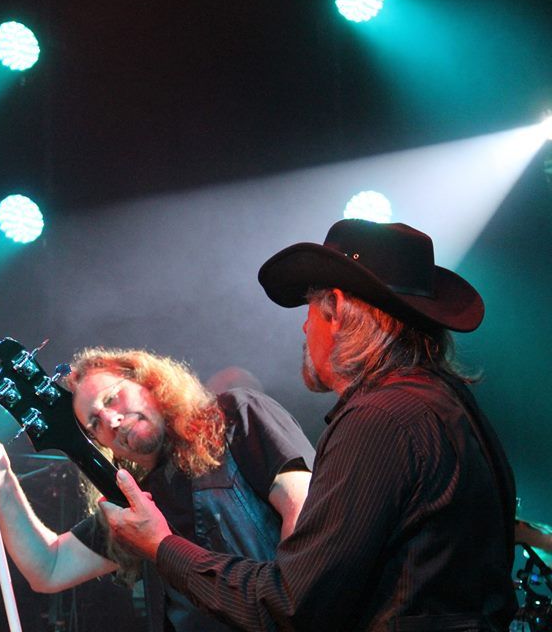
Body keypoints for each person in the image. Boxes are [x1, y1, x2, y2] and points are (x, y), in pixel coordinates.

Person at [100, 219, 518, 630]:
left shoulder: (379, 419)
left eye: (311, 309)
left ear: (335, 309)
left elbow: (291, 605)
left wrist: (162, 546)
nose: (304, 326)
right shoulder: (447, 403)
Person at [0, 347, 315, 631]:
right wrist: (3, 482)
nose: (111, 420)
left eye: (112, 398)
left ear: (147, 381)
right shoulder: (133, 504)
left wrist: (296, 610)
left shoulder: (232, 417)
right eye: (94, 423)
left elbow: (307, 519)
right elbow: (49, 567)